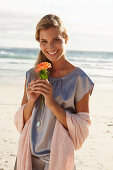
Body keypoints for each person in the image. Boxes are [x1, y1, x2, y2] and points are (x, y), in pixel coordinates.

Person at [14, 14, 94, 170]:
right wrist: (31, 101)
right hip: (27, 155)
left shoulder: (80, 79)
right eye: (44, 41)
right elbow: (20, 123)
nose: (50, 48)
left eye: (55, 40)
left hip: (59, 159)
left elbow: (82, 130)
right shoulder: (32, 74)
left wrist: (51, 103)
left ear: (65, 38)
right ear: (39, 43)